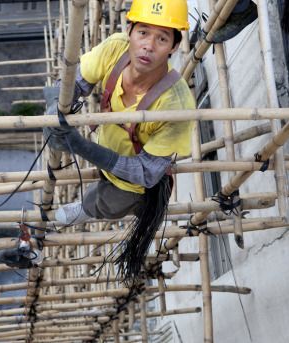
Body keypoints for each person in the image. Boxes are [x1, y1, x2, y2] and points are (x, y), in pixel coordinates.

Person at [44, 0, 195, 279]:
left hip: (131, 178)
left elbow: (145, 174)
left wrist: (80, 146)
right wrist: (54, 110)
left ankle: (88, 209)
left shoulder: (176, 105)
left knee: (108, 202)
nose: (149, 45)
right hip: (105, 143)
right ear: (130, 30)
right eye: (143, 33)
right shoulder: (115, 48)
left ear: (174, 46)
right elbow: (73, 84)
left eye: (162, 38)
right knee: (99, 167)